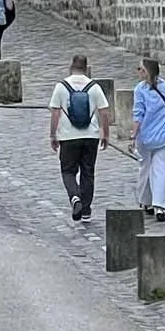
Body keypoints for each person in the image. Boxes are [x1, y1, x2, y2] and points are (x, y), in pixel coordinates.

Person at [48, 55, 111, 220]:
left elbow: (55, 112)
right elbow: (104, 112)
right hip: (91, 136)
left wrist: (53, 135)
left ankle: (75, 197)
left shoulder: (61, 86)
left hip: (68, 137)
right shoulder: (94, 87)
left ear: (71, 67)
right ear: (86, 68)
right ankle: (86, 210)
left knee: (68, 171)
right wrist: (105, 133)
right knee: (88, 172)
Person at [131, 57, 165, 223]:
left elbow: (138, 115)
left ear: (146, 72)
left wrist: (133, 135)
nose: (137, 72)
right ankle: (159, 206)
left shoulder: (140, 90)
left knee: (145, 168)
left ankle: (147, 202)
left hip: (146, 137)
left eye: (139, 69)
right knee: (162, 171)